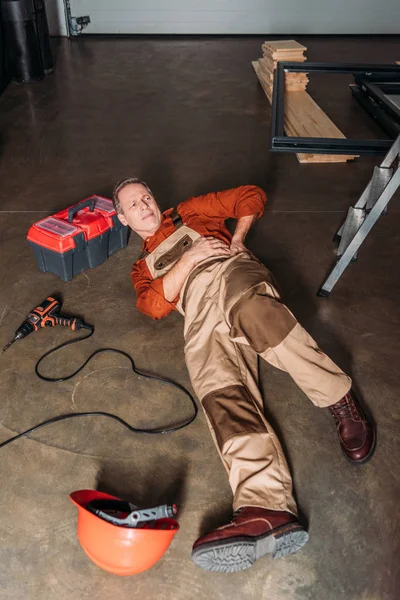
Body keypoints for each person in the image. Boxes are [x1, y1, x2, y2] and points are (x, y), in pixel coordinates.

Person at [112, 178, 375, 573]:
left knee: (255, 314)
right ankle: (266, 506)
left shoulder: (189, 211)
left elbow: (250, 195)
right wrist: (190, 256)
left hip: (232, 272)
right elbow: (152, 305)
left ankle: (339, 397)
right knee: (217, 390)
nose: (145, 205)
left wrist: (238, 238)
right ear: (122, 217)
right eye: (134, 204)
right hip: (199, 309)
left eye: (146, 196)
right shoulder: (140, 268)